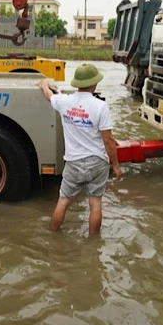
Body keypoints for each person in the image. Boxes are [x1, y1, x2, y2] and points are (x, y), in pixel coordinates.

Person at [37, 63, 122, 236]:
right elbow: (108, 140)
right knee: (95, 203)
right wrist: (116, 166)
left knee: (63, 201)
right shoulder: (100, 106)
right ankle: (93, 243)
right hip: (97, 162)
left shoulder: (64, 101)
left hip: (73, 162)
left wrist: (44, 84)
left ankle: (52, 237)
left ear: (77, 83)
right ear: (95, 84)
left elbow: (48, 95)